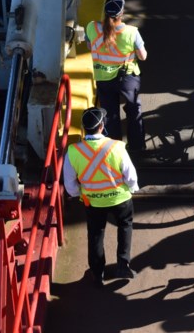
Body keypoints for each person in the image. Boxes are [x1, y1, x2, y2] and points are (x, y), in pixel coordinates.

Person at [62, 107, 139, 285]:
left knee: (96, 234)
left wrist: (80, 194)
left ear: (84, 128)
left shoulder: (73, 152)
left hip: (93, 202)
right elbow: (131, 176)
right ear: (102, 125)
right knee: (125, 227)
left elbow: (70, 184)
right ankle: (123, 264)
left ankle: (97, 273)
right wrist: (132, 188)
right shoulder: (117, 147)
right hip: (120, 198)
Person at [85, 0, 148, 152]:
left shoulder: (92, 27)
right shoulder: (131, 32)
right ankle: (137, 146)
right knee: (134, 110)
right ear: (121, 13)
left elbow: (89, 45)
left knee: (110, 115)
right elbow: (143, 56)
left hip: (103, 79)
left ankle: (115, 149)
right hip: (127, 78)